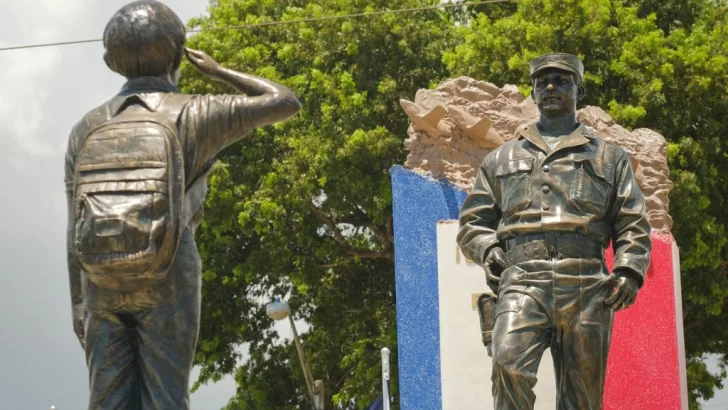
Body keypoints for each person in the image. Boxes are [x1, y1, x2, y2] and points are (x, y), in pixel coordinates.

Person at [63, 1, 301, 408]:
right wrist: (218, 70)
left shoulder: (85, 127)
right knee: (165, 396)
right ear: (179, 53)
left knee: (106, 399)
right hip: (169, 269)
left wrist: (79, 304)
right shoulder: (195, 112)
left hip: (99, 280)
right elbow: (284, 101)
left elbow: (74, 227)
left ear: (110, 60)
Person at [457, 53, 652, 410]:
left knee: (583, 398)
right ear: (532, 92)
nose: (550, 88)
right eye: (541, 82)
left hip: (587, 282)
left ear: (579, 88)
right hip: (521, 278)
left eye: (561, 81)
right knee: (507, 363)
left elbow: (632, 219)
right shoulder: (500, 158)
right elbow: (473, 222)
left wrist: (628, 269)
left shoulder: (610, 158)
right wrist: (487, 248)